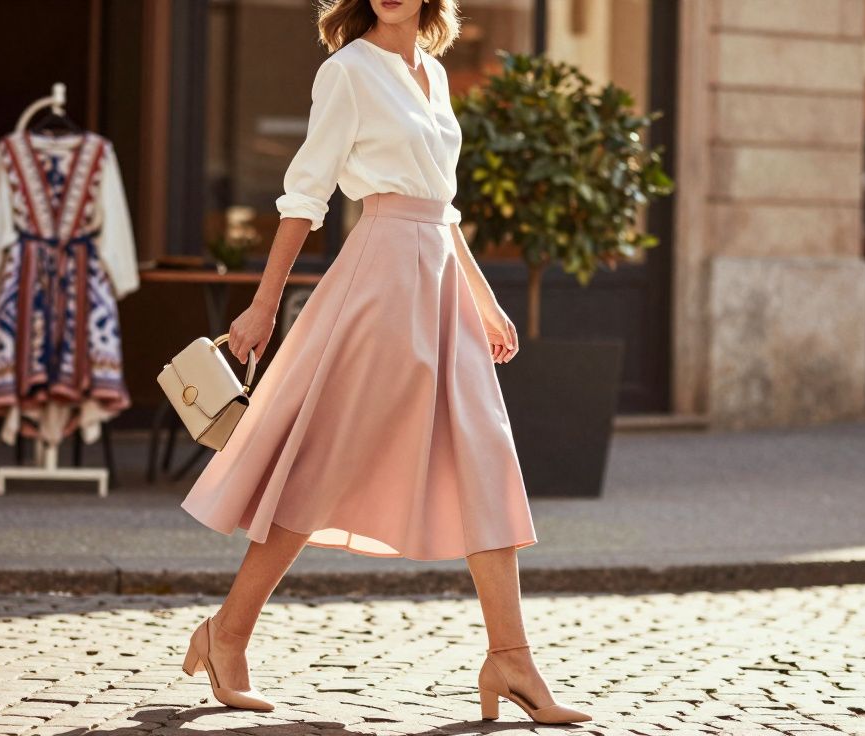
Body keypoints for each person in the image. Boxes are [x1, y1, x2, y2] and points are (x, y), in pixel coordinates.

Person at [177, 0, 592, 725]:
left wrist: (484, 297)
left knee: (487, 454)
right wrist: (264, 305)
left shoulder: (431, 72)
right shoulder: (347, 71)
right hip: (380, 276)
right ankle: (229, 632)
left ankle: (510, 658)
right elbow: (305, 195)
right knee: (325, 460)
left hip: (440, 281)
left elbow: (443, 204)